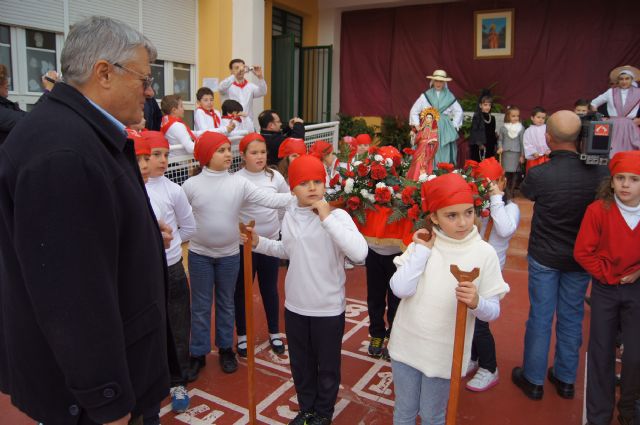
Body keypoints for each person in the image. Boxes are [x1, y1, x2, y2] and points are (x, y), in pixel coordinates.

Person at [0, 16, 176, 425]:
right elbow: (71, 299)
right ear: (103, 73)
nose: (150, 92)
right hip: (94, 400)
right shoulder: (64, 153)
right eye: (144, 79)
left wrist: (143, 235)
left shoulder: (74, 132)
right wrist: (106, 400)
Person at [244, 155, 368, 425]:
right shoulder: (289, 215)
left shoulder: (338, 216)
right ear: (291, 189)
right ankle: (307, 409)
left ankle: (323, 413)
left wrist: (326, 218)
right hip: (296, 306)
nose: (312, 187)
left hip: (327, 307)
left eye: (317, 181)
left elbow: (360, 253)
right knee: (300, 366)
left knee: (327, 367)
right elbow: (286, 250)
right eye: (303, 182)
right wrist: (258, 242)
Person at [388, 172, 509, 425]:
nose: (463, 222)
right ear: (434, 217)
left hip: (445, 353)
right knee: (404, 411)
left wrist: (477, 302)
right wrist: (422, 253)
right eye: (451, 215)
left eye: (468, 212)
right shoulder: (422, 243)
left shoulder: (484, 253)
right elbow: (400, 289)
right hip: (406, 344)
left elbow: (493, 311)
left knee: (433, 416)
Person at [512, 110, 609, 401]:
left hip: (545, 255)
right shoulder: (601, 173)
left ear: (548, 137)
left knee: (540, 317)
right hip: (581, 258)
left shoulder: (540, 173)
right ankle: (566, 379)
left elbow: (528, 193)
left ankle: (533, 380)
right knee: (572, 316)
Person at [182, 132, 292, 377]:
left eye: (227, 149)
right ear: (206, 155)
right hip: (200, 255)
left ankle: (225, 349)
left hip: (230, 255)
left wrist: (301, 195)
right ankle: (198, 353)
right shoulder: (191, 185)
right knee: (200, 306)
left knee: (226, 302)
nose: (227, 154)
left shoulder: (239, 183)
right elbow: (179, 214)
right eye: (220, 150)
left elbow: (270, 199)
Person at [574, 151, 640, 425]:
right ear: (611, 182)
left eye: (634, 179)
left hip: (637, 291)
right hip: (605, 289)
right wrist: (609, 275)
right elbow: (582, 252)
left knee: (636, 355)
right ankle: (599, 416)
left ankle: (628, 409)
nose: (625, 184)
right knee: (601, 353)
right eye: (620, 178)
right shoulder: (598, 210)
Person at [142, 131, 196, 413]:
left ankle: (178, 379)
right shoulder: (131, 187)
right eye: (155, 155)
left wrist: (171, 245)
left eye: (166, 154)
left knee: (177, 324)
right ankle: (149, 380)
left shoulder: (173, 190)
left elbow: (188, 227)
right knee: (147, 327)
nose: (163, 160)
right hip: (142, 272)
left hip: (172, 267)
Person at [465, 157, 520, 392]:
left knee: (481, 323)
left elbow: (505, 230)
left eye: (492, 183)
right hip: (471, 269)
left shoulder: (509, 208)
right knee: (469, 319)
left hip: (491, 274)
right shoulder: (478, 205)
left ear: (502, 182)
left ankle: (490, 367)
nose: (487, 187)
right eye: (483, 183)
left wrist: (496, 197)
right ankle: (474, 358)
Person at [234, 133, 290, 357]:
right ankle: (242, 336)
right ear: (243, 155)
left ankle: (274, 332)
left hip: (271, 242)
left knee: (270, 289)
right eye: (253, 153)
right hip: (245, 245)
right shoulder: (236, 179)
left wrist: (281, 230)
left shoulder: (275, 177)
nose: (259, 157)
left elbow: (286, 204)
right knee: (242, 290)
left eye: (263, 152)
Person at [409, 69, 463, 165]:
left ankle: (442, 171)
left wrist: (453, 125)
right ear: (433, 81)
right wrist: (417, 125)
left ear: (444, 82)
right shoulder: (426, 95)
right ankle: (426, 172)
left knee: (443, 149)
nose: (438, 83)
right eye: (436, 81)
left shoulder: (449, 96)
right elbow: (414, 111)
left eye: (441, 81)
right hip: (429, 125)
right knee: (427, 147)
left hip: (444, 128)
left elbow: (459, 111)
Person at [590, 65, 640, 157]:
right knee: (611, 151)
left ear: (631, 79)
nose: (624, 81)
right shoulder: (611, 92)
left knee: (630, 153)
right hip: (613, 125)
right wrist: (599, 117)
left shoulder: (638, 92)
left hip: (630, 126)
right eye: (621, 79)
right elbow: (594, 103)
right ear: (618, 80)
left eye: (627, 78)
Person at [218, 58, 267, 130]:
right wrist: (235, 74)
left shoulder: (250, 86)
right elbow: (221, 88)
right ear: (231, 71)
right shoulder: (227, 85)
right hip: (231, 125)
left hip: (247, 124)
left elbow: (263, 92)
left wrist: (260, 77)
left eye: (242, 67)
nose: (240, 70)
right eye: (236, 68)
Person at [497, 106, 525, 194]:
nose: (516, 118)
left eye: (517, 116)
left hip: (516, 154)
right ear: (508, 116)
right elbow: (500, 140)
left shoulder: (521, 128)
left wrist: (522, 155)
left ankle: (512, 191)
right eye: (513, 116)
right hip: (505, 154)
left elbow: (522, 143)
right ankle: (506, 190)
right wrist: (500, 147)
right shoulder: (503, 128)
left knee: (515, 174)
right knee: (505, 173)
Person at [160, 94, 198, 159]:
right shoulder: (177, 126)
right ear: (174, 110)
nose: (184, 108)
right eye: (181, 106)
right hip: (179, 163)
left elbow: (189, 133)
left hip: (172, 160)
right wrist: (209, 147)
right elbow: (190, 148)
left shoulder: (166, 121)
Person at [407, 109, 438, 179]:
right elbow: (414, 142)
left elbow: (435, 141)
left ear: (433, 119)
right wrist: (413, 136)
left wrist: (431, 141)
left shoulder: (434, 131)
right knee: (417, 163)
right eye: (427, 117)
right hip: (419, 149)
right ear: (425, 118)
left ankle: (424, 179)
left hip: (428, 151)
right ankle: (415, 179)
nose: (428, 119)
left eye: (430, 118)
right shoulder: (421, 130)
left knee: (425, 164)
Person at [0, 63, 27, 145]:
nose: (8, 83)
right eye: (4, 79)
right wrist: (48, 90)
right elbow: (29, 120)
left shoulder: (5, 104)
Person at [469, 93, 497, 162]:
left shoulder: (492, 118)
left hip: (490, 145)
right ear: (480, 105)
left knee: (488, 163)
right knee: (479, 163)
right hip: (479, 145)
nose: (487, 107)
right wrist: (480, 144)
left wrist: (495, 143)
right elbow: (474, 131)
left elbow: (492, 131)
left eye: (489, 105)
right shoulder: (477, 116)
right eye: (485, 105)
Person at [523, 106, 549, 173]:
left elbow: (551, 140)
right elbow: (527, 143)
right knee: (533, 173)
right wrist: (533, 152)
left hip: (546, 157)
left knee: (546, 174)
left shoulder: (547, 129)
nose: (541, 119)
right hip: (534, 157)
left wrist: (549, 150)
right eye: (538, 117)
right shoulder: (528, 131)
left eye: (543, 118)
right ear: (532, 118)